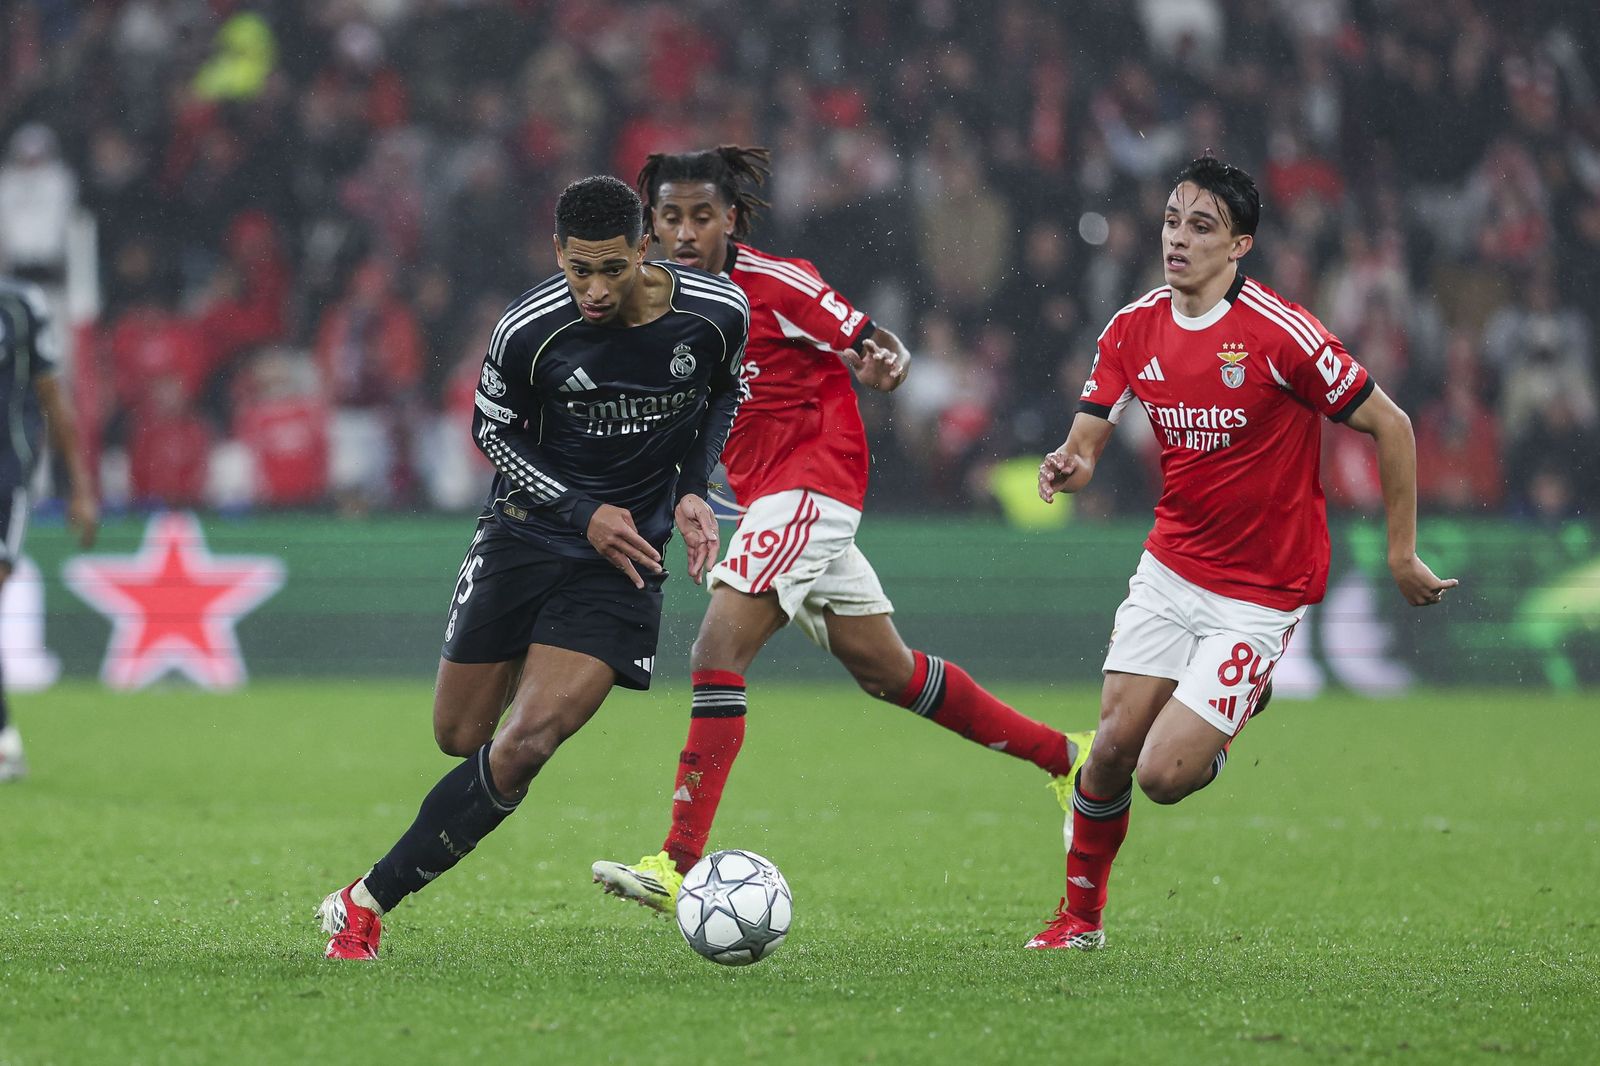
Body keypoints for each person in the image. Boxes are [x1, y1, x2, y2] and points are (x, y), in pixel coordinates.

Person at [591, 146, 1092, 912]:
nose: (687, 231)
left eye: (703, 215)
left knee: (716, 648)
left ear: (731, 218)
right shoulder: (658, 307)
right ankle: (1069, 757)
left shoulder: (776, 283)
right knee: (887, 670)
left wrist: (882, 360)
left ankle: (678, 861)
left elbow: (865, 336)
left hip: (811, 485)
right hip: (765, 501)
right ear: (651, 226)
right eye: (671, 217)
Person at [1025, 157, 1457, 950]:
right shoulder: (1131, 329)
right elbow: (1087, 440)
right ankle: (1078, 922)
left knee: (1162, 776)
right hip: (1171, 567)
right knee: (1113, 746)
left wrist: (1401, 554)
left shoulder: (1279, 334)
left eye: (1201, 226)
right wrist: (1067, 464)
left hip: (1260, 592)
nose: (1177, 240)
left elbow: (1390, 425)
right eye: (1170, 221)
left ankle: (1234, 710)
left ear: (1241, 245)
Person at [315, 175, 747, 959]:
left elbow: (722, 396)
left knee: (527, 741)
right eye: (578, 268)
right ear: (557, 254)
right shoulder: (529, 330)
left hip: (622, 561)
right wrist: (583, 509)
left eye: (612, 268)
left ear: (644, 247)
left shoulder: (716, 314)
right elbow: (494, 435)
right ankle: (520, 683)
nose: (594, 288)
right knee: (461, 735)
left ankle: (365, 901)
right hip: (524, 536)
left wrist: (691, 489)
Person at [0, 277, 99, 781]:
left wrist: (79, 487)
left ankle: (3, 743)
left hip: (6, 474)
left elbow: (53, 398)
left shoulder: (21, 307)